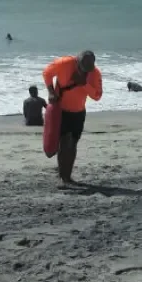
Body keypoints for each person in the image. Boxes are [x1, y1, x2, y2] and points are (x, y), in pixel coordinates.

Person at [42, 50, 103, 189]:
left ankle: (66, 176)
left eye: (89, 68)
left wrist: (84, 84)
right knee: (64, 143)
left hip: (78, 112)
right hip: (61, 111)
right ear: (77, 61)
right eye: (84, 68)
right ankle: (64, 178)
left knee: (72, 144)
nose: (86, 71)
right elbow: (46, 73)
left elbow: (97, 96)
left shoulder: (94, 73)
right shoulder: (64, 63)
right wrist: (51, 91)